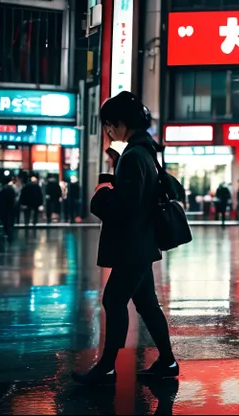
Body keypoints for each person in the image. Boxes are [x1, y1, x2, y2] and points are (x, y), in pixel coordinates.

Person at [72, 91, 177, 386]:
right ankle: (167, 361)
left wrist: (103, 192)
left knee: (114, 299)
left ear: (120, 122)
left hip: (133, 245)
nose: (108, 129)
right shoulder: (145, 152)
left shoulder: (133, 155)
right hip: (142, 243)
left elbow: (125, 207)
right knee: (145, 304)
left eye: (109, 124)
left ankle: (106, 367)